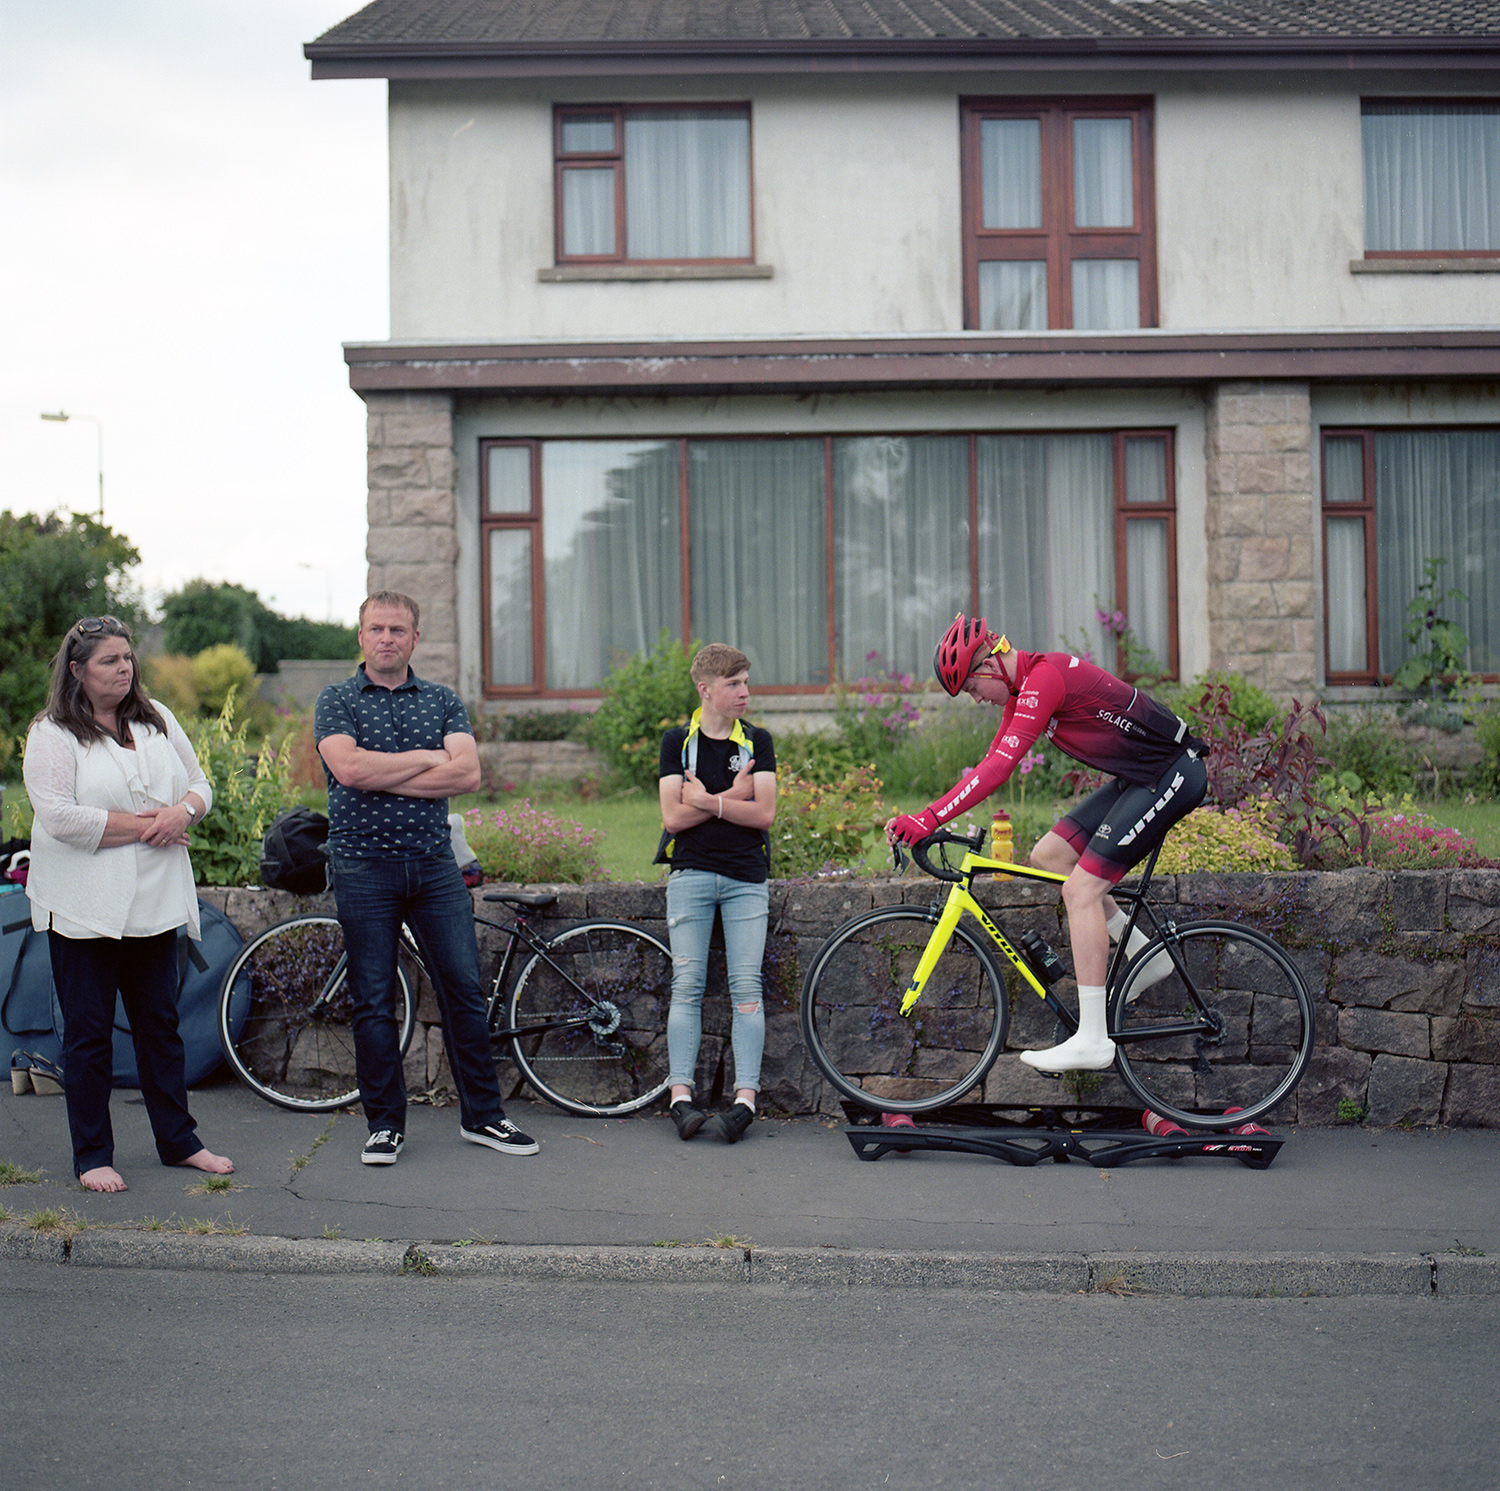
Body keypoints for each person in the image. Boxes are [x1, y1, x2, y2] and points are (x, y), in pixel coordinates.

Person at [886, 615, 1208, 1073]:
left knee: (1081, 891)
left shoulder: (1044, 679)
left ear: (990, 665)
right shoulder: (1022, 691)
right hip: (1144, 777)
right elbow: (989, 764)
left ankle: (1094, 1039)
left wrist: (930, 817)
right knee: (1049, 856)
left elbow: (999, 771)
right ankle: (1145, 956)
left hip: (1174, 773)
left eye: (972, 689)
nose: (976, 700)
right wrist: (928, 814)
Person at [314, 591, 536, 1166]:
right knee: (372, 999)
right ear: (361, 636)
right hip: (363, 866)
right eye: (376, 628)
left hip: (436, 867)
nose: (387, 638)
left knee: (463, 989)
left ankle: (484, 1118)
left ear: (415, 639)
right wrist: (428, 758)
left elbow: (467, 773)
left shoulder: (442, 699)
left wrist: (386, 772)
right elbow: (349, 768)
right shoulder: (336, 699)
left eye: (398, 629)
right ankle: (385, 1125)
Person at [22, 616, 234, 1193]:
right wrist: (151, 825)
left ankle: (179, 1141)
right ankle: (92, 1156)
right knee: (88, 1037)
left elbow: (200, 784)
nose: (123, 669)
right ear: (77, 671)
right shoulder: (52, 734)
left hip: (154, 903)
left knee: (160, 1028)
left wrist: (182, 812)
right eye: (108, 661)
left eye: (127, 658)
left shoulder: (157, 717)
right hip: (85, 909)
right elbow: (60, 818)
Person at [658, 645, 777, 1143]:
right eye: (734, 684)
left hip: (746, 878)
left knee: (746, 989)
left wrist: (705, 800)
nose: (745, 692)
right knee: (687, 987)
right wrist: (733, 797)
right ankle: (680, 1098)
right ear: (706, 689)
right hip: (690, 875)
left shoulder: (758, 742)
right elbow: (672, 819)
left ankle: (745, 1100)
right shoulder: (675, 742)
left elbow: (765, 814)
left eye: (746, 681)